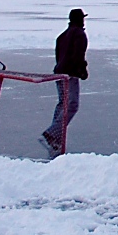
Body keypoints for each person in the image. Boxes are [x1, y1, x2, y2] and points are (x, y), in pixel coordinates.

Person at [41, 8, 89, 158]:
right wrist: (81, 71)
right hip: (70, 74)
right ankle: (52, 134)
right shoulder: (79, 35)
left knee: (63, 104)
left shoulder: (62, 36)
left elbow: (59, 56)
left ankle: (55, 138)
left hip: (60, 72)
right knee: (72, 104)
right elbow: (78, 56)